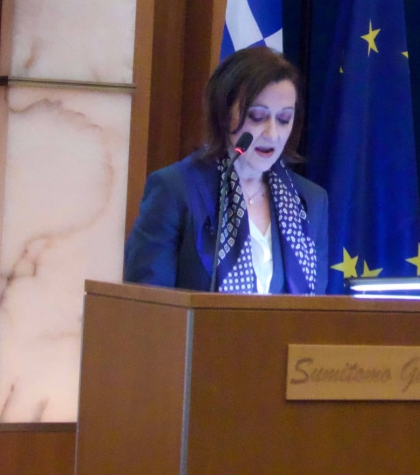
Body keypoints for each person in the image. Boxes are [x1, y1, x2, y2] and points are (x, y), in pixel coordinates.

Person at [124, 47, 329, 294]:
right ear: (223, 114)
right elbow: (147, 307)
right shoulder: (175, 190)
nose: (272, 134)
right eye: (257, 116)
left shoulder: (310, 201)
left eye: (284, 119)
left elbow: (317, 311)